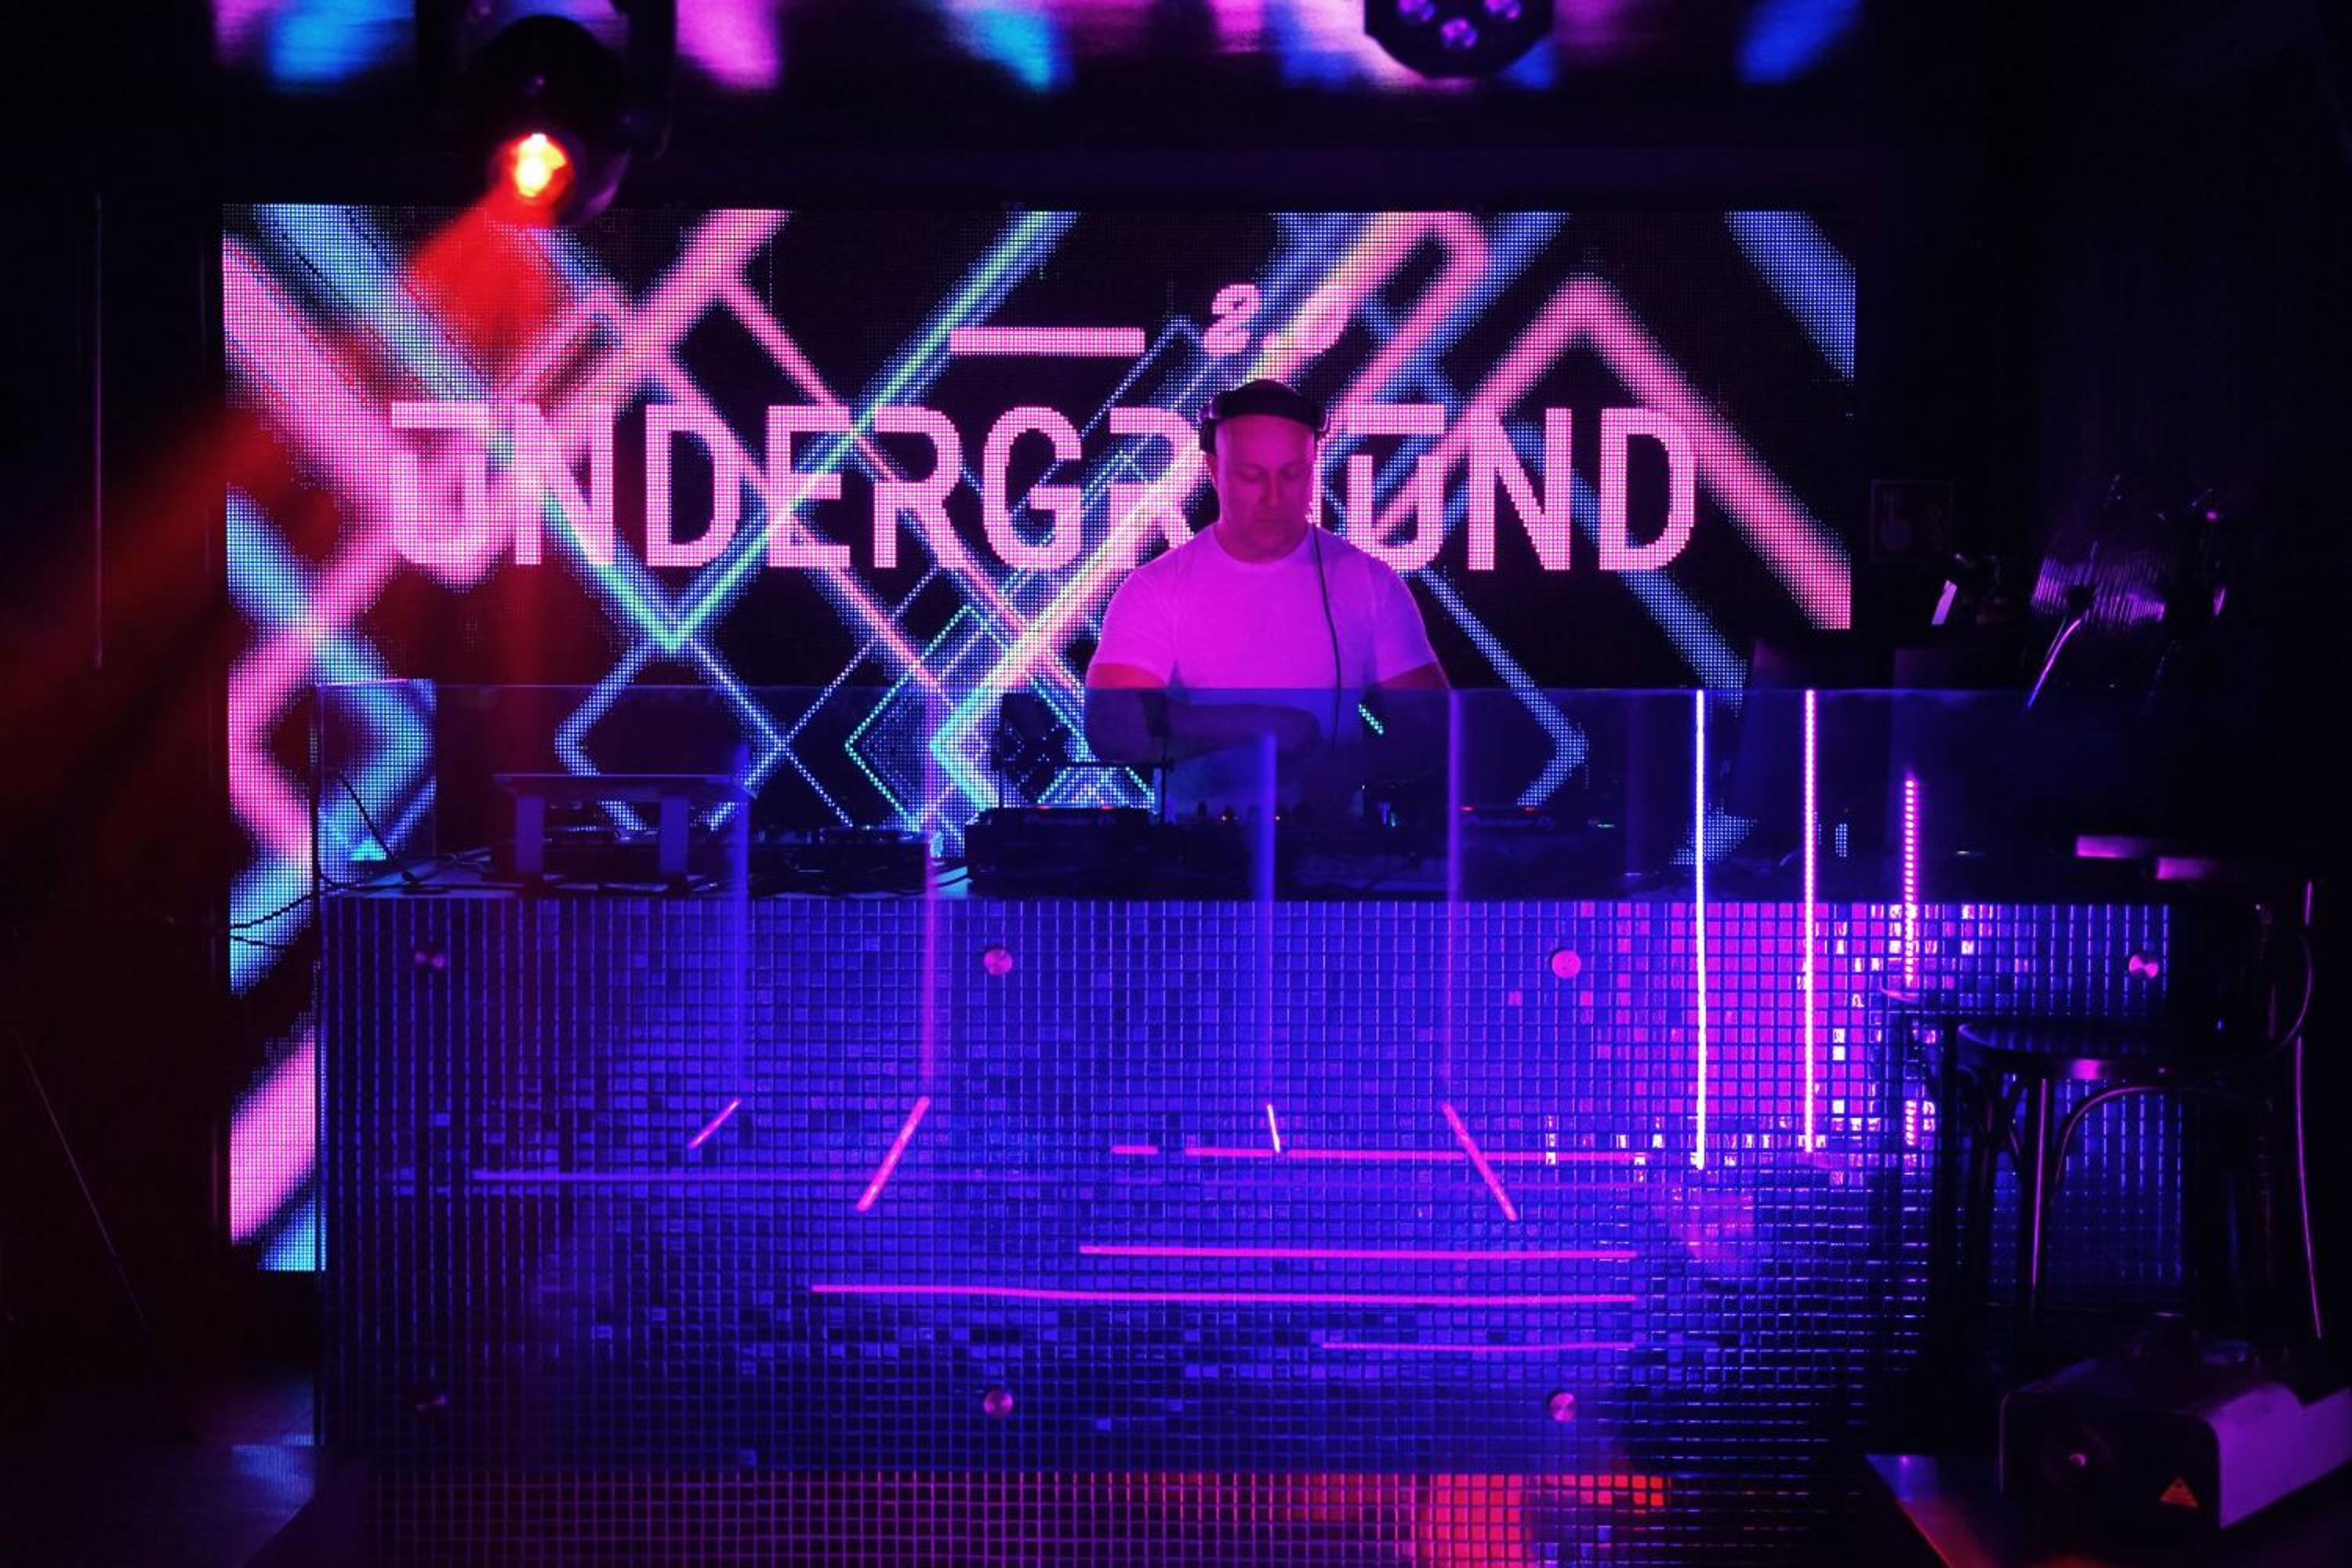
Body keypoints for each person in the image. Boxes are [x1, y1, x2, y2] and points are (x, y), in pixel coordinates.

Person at [1083, 379, 1448, 818]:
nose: (1273, 498)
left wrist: (1355, 766)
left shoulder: (1370, 583)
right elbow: (1110, 728)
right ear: (1214, 470)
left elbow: (1434, 728)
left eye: (1292, 475)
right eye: (1251, 476)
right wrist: (1258, 724)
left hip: (1332, 844)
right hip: (1193, 849)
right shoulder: (1156, 588)